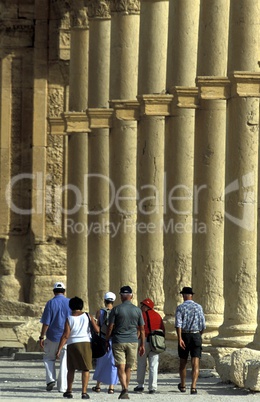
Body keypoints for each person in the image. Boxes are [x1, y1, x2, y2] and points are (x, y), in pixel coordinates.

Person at [56, 296, 99, 399]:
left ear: (71, 307)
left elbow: (66, 335)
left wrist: (59, 349)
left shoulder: (69, 318)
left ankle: (69, 390)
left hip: (72, 344)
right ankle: (84, 392)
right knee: (86, 368)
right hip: (85, 343)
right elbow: (97, 330)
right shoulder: (88, 316)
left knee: (71, 369)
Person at [106, 285, 145, 400]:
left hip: (118, 340)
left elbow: (110, 327)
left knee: (120, 367)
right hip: (133, 341)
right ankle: (125, 388)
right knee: (128, 367)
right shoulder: (137, 310)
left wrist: (107, 339)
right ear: (131, 296)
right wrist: (142, 344)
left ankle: (124, 389)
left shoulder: (116, 309)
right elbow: (142, 329)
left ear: (121, 297)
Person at [39, 281, 70, 393]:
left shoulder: (50, 303)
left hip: (52, 336)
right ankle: (62, 387)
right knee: (64, 361)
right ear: (64, 291)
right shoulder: (70, 302)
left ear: (54, 291)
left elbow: (46, 322)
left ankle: (50, 379)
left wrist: (41, 336)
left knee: (48, 358)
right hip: (66, 337)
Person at [175, 286, 206, 395]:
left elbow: (178, 324)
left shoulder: (180, 307)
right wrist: (198, 335)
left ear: (184, 295)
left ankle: (183, 385)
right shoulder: (199, 307)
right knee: (195, 362)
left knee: (183, 361)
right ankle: (193, 387)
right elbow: (203, 325)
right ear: (191, 295)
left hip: (184, 335)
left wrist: (179, 338)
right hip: (196, 334)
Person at [134, 298, 165, 394]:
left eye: (142, 305)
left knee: (141, 364)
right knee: (153, 365)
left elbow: (139, 330)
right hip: (155, 342)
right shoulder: (158, 316)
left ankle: (140, 385)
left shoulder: (141, 315)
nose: (141, 307)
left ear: (146, 306)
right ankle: (152, 387)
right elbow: (162, 329)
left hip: (144, 341)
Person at [92, 291, 118, 394]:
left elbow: (98, 326)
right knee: (112, 363)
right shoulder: (116, 311)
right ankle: (111, 387)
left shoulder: (100, 312)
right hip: (113, 339)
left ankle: (98, 385)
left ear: (104, 300)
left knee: (101, 362)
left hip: (103, 339)